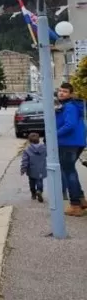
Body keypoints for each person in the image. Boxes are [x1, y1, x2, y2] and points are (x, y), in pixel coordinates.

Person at [55, 82, 87, 216]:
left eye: (65, 91)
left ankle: (75, 205)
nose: (61, 93)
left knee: (68, 172)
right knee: (70, 170)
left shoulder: (69, 107)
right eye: (60, 90)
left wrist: (52, 135)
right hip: (75, 142)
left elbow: (69, 125)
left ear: (71, 94)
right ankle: (80, 200)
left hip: (68, 143)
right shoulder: (69, 106)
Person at [21, 132, 46, 202]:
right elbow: (47, 155)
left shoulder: (27, 150)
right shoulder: (44, 148)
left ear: (29, 141)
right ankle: (39, 191)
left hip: (31, 170)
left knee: (31, 182)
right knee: (39, 181)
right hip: (41, 169)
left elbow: (25, 161)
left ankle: (33, 194)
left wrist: (23, 169)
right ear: (39, 140)